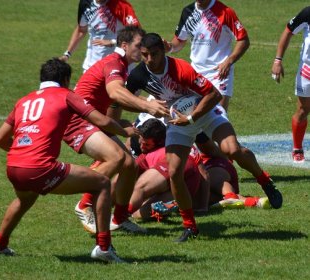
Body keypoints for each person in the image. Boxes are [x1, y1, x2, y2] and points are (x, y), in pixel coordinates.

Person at [126, 33, 283, 242]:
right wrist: (144, 105)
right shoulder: (138, 75)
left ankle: (265, 181)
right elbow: (121, 98)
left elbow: (214, 95)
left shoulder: (180, 69)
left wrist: (191, 118)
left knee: (231, 150)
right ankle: (190, 226)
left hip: (204, 111)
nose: (149, 60)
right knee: (174, 172)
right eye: (145, 55)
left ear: (163, 51)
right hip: (178, 120)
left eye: (154, 55)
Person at [0, 58, 139, 263]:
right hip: (40, 167)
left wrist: (22, 153)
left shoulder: (24, 100)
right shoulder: (66, 95)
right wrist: (124, 130)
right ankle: (104, 247)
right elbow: (101, 121)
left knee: (25, 199)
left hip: (14, 166)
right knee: (101, 183)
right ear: (65, 80)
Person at [63, 26, 169, 234]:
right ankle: (85, 204)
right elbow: (116, 93)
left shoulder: (122, 65)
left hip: (94, 119)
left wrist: (137, 109)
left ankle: (120, 217)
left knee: (131, 165)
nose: (143, 50)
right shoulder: (114, 63)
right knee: (119, 158)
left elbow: (119, 100)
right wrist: (148, 105)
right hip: (77, 121)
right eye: (139, 45)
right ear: (124, 45)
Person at [164, 0, 250, 112]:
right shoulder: (188, 12)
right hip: (195, 73)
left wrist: (229, 61)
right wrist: (169, 47)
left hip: (219, 73)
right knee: (195, 116)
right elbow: (180, 41)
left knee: (218, 115)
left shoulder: (225, 12)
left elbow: (243, 40)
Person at [126, 118, 210, 221]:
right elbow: (204, 173)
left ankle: (119, 218)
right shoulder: (185, 145)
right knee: (137, 214)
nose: (142, 147)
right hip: (189, 183)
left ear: (160, 141)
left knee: (139, 188)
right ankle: (167, 206)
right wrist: (203, 207)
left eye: (147, 144)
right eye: (141, 143)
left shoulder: (150, 155)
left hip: (175, 168)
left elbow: (128, 174)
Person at [271, 6, 310, 163]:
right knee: (302, 110)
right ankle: (297, 148)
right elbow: (288, 31)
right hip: (308, 70)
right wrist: (278, 60)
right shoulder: (308, 13)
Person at [60, 0, 140, 72]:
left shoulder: (120, 5)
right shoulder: (86, 3)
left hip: (121, 66)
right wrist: (67, 54)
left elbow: (136, 33)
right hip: (93, 65)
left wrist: (113, 42)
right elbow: (81, 30)